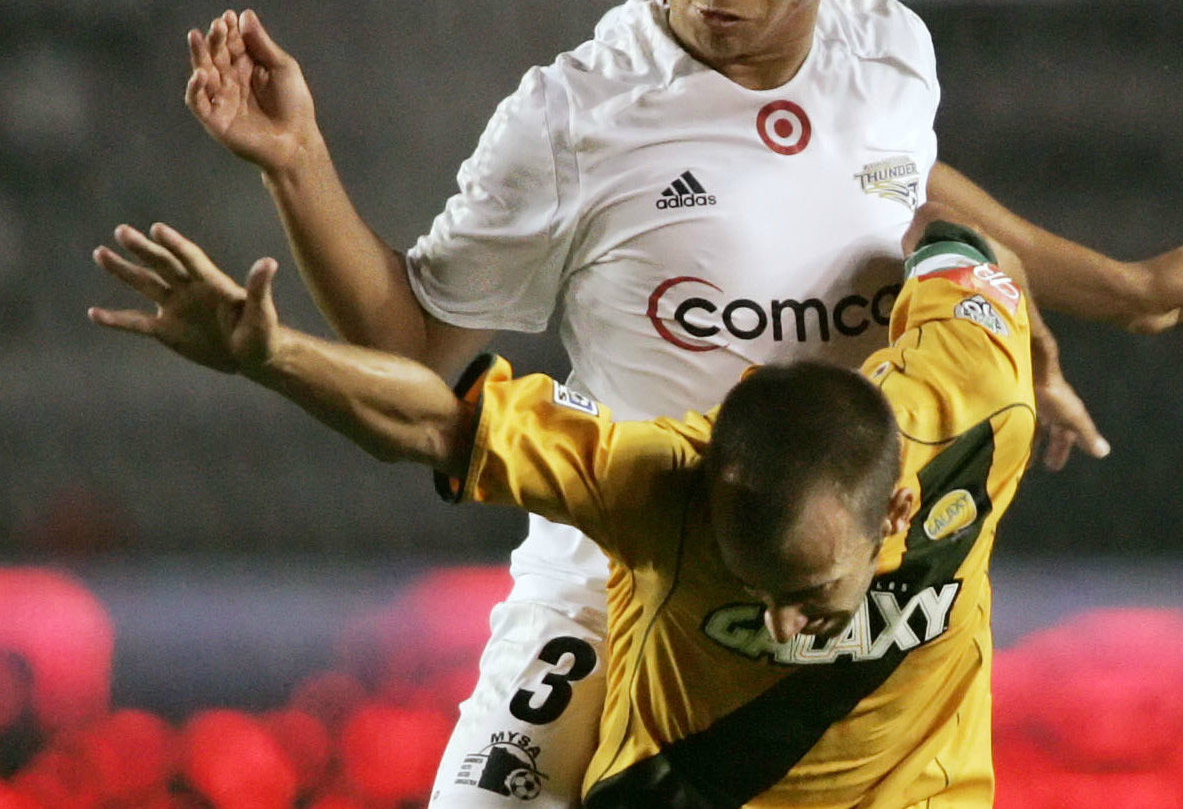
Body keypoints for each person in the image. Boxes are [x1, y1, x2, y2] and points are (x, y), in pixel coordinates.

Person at [178, 0, 1183, 807]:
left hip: (833, 556)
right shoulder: (572, 120)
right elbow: (411, 351)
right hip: (623, 548)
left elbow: (908, 196)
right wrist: (300, 164)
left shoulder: (888, 54)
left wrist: (1095, 300)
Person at [89, 206, 1038, 807]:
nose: (787, 626)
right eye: (758, 590)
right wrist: (274, 356)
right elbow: (434, 423)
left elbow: (945, 237)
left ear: (898, 508)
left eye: (807, 592)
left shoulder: (980, 408)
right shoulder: (656, 481)